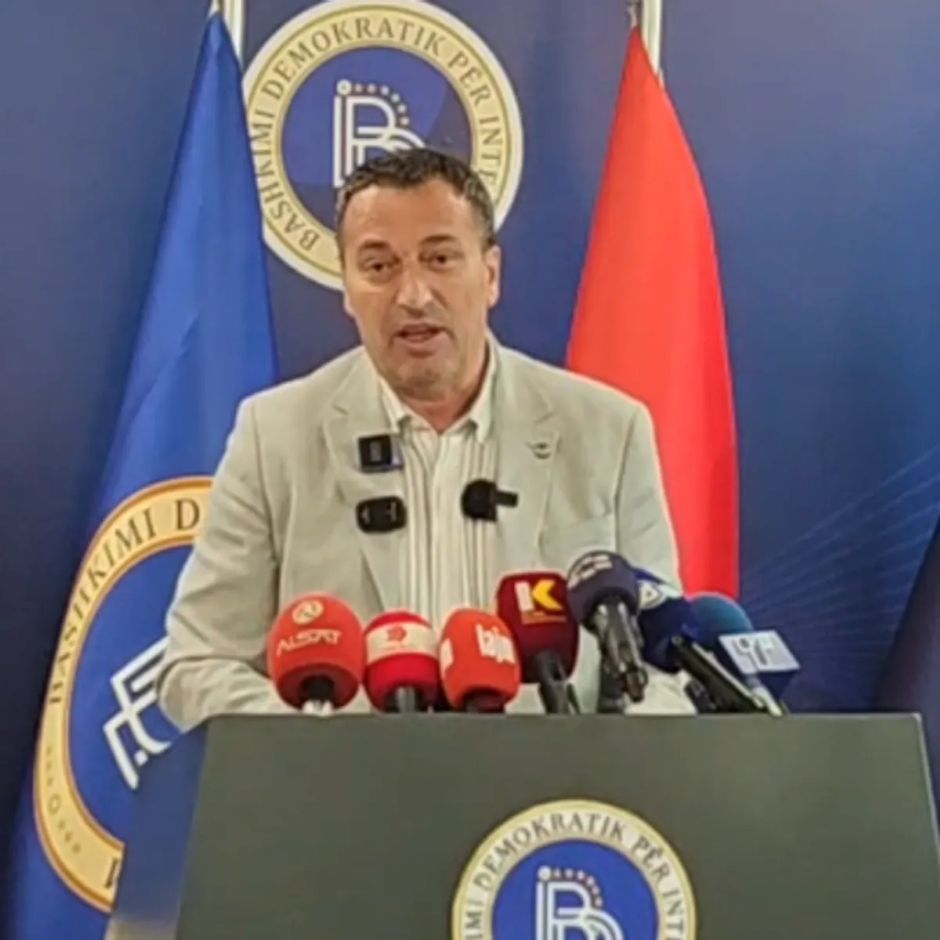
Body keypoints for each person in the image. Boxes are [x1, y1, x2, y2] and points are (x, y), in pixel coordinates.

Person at [157, 148, 690, 729]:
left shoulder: (607, 431)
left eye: (440, 258)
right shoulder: (275, 436)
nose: (413, 294)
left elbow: (664, 665)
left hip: (549, 783)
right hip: (352, 782)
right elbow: (198, 666)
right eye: (379, 266)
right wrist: (327, 745)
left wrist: (601, 757)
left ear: (490, 274)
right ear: (346, 287)